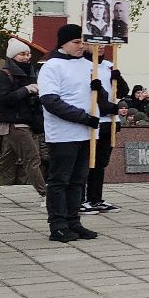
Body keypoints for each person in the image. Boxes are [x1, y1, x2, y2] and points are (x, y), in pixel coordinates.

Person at [37, 24, 102, 243]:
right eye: (76, 42)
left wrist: (99, 87)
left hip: (86, 133)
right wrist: (83, 117)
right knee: (60, 181)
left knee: (78, 181)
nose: (81, 46)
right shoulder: (52, 66)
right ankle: (58, 224)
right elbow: (51, 101)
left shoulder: (88, 64)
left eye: (83, 42)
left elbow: (98, 98)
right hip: (63, 133)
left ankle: (73, 220)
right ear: (63, 42)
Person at [0, 38, 46, 206]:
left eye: (28, 54)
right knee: (33, 159)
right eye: (22, 54)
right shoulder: (4, 74)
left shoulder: (30, 72)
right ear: (12, 56)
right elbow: (4, 99)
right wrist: (26, 90)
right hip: (13, 123)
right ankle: (45, 195)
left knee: (7, 160)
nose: (26, 57)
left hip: (26, 122)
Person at [84, 51, 129, 213]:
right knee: (89, 162)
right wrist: (112, 108)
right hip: (94, 119)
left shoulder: (109, 66)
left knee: (101, 163)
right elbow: (98, 99)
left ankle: (95, 198)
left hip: (110, 121)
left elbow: (122, 91)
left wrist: (117, 78)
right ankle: (81, 199)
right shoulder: (84, 66)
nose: (101, 47)